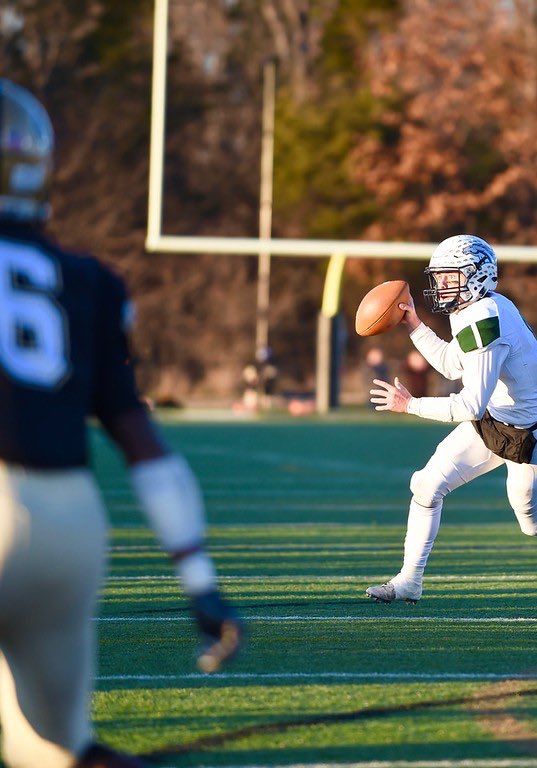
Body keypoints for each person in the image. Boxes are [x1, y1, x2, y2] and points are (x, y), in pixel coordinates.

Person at [0, 79, 243, 768]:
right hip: (70, 524)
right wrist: (200, 582)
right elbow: (139, 437)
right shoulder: (89, 280)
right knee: (55, 750)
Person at [365, 235, 537, 603]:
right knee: (426, 486)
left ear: (477, 274)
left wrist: (411, 405)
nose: (442, 286)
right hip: (494, 423)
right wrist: (414, 324)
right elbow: (453, 362)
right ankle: (409, 582)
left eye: (450, 277)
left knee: (536, 524)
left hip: (532, 438)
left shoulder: (486, 319)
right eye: (440, 277)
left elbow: (469, 406)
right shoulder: (477, 308)